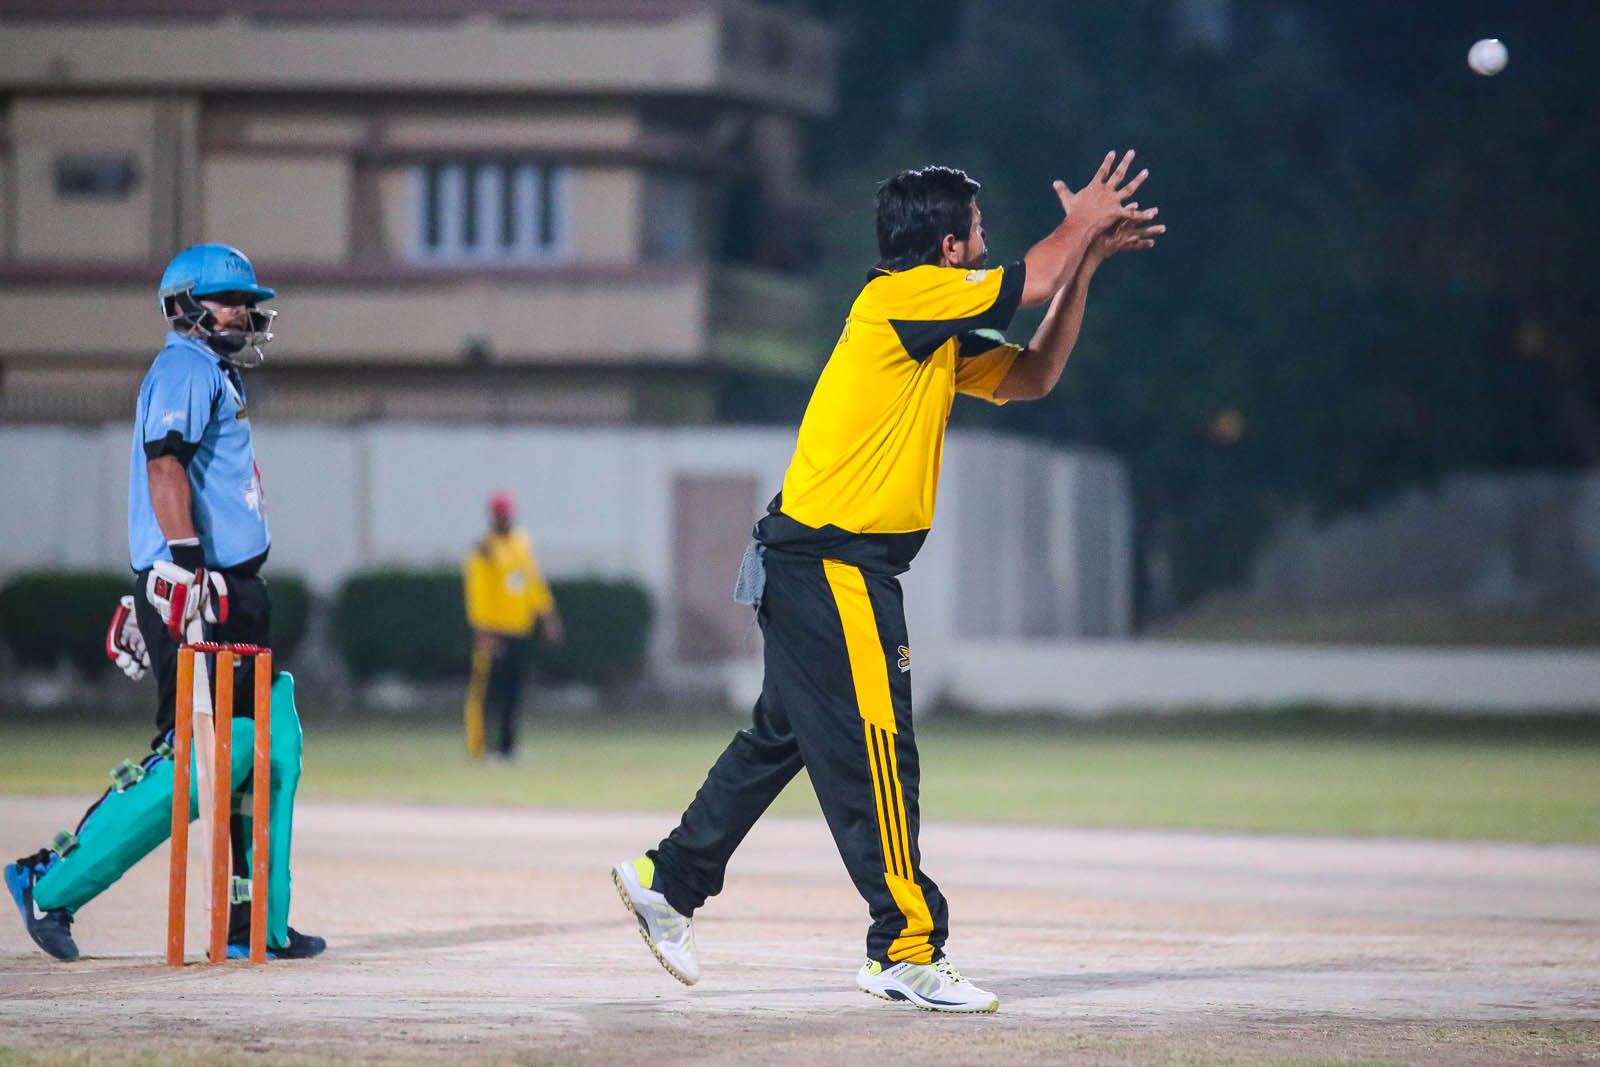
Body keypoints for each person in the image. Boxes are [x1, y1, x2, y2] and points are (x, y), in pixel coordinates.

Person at [611, 154, 1162, 1012]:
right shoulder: (905, 297)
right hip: (836, 568)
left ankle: (667, 880)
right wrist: (1081, 223)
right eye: (977, 231)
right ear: (948, 247)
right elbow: (1034, 277)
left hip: (814, 564)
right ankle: (905, 947)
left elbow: (1034, 374)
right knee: (880, 752)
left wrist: (1083, 262)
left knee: (781, 737)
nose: (986, 243)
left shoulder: (928, 326)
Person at [5, 243, 325, 962]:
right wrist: (178, 568)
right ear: (183, 305)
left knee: (273, 743)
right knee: (202, 754)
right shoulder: (183, 366)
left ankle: (255, 922)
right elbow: (164, 465)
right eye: (227, 299)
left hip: (234, 589)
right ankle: (48, 882)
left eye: (246, 301)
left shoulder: (213, 371)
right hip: (203, 585)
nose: (242, 311)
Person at [462, 491, 564, 761]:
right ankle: (480, 749)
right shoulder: (484, 548)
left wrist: (547, 614)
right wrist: (482, 627)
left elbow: (533, 582)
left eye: (507, 514)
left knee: (513, 692)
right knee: (487, 691)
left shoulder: (521, 542)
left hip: (519, 628)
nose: (504, 519)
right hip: (493, 630)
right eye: (500, 515)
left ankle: (507, 748)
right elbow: (477, 591)